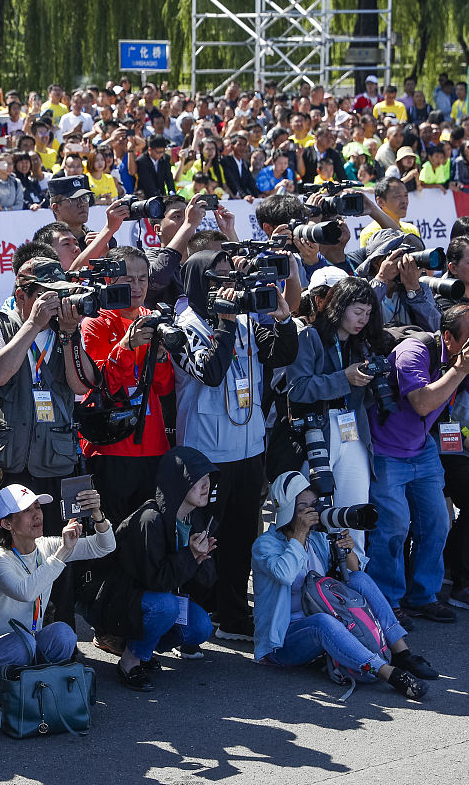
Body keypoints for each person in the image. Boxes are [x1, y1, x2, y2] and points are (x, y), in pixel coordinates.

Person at [170, 248, 298, 642]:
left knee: (243, 535)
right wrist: (225, 324)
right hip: (206, 451)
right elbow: (208, 371)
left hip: (248, 446)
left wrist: (283, 320)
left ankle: (232, 611)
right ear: (195, 283)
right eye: (216, 279)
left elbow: (282, 354)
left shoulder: (242, 318)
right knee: (203, 538)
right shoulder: (182, 327)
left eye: (230, 277)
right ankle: (193, 617)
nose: (226, 286)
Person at [0, 257, 100, 630]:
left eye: (59, 295)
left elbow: (82, 385)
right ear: (21, 294)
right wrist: (32, 324)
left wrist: (71, 335)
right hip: (4, 459)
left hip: (52, 459)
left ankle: (57, 637)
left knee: (58, 547)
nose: (55, 303)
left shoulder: (65, 330)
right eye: (45, 296)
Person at [367, 304, 469, 624]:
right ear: (449, 338)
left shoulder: (465, 358)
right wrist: (461, 369)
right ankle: (387, 601)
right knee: (394, 527)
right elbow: (422, 403)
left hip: (421, 448)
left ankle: (423, 596)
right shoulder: (413, 351)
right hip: (386, 451)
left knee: (438, 523)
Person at [252, 472, 437, 700]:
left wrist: (347, 550)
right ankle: (388, 673)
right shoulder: (265, 545)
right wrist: (299, 533)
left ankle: (402, 652)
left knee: (360, 580)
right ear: (287, 510)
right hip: (282, 642)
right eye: (303, 507)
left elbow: (354, 574)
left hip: (325, 619)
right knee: (322, 622)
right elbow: (285, 574)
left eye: (314, 505)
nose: (312, 513)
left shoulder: (316, 538)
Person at [0, 484, 113, 727]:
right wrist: (63, 552)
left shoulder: (46, 547)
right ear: (7, 524)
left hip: (21, 646)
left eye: (37, 507)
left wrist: (97, 515)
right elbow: (26, 591)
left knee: (64, 634)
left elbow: (104, 546)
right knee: (23, 643)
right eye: (27, 510)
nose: (37, 514)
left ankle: (37, 691)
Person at [91, 447, 218, 691]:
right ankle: (130, 660)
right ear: (179, 482)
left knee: (201, 626)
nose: (207, 485)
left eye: (208, 479)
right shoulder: (151, 519)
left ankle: (142, 649)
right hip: (117, 602)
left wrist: (201, 559)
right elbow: (156, 581)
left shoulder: (194, 517)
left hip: (151, 600)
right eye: (198, 480)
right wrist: (190, 556)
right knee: (166, 606)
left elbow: (206, 581)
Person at [282, 277, 384, 547]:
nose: (363, 319)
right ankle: (308, 578)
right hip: (318, 431)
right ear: (338, 307)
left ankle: (355, 576)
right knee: (310, 512)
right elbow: (297, 389)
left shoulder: (361, 344)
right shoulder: (309, 336)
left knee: (355, 510)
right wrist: (343, 378)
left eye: (368, 313)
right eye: (357, 312)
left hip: (353, 431)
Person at [80, 246, 175, 524]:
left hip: (153, 444)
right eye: (128, 279)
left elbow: (165, 387)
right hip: (110, 446)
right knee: (111, 533)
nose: (136, 286)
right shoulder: (95, 322)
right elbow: (101, 385)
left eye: (142, 279)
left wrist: (159, 358)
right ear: (109, 280)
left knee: (149, 535)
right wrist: (125, 346)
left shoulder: (152, 319)